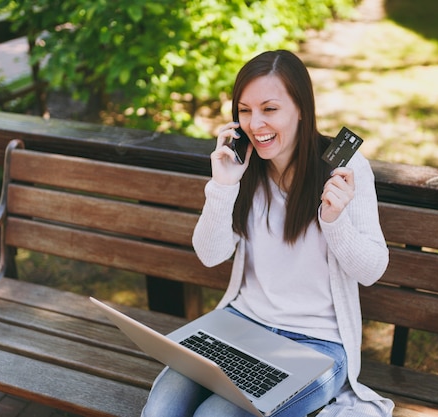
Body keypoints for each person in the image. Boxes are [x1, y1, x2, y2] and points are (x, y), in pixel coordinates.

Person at [141, 50, 394, 417]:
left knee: (213, 416)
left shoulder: (343, 166)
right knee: (161, 410)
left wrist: (335, 220)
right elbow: (210, 254)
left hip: (316, 345)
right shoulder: (244, 167)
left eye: (269, 109)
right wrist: (223, 185)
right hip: (241, 326)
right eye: (244, 110)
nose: (255, 123)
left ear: (302, 108)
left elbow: (372, 270)